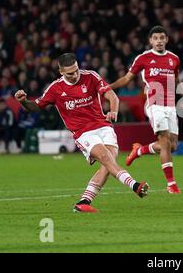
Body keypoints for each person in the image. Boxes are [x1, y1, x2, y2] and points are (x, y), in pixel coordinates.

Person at [14, 53, 149, 213]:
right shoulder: (55, 89)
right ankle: (134, 185)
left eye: (76, 70)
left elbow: (112, 96)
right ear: (60, 71)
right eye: (70, 73)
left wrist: (113, 111)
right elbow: (35, 106)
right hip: (83, 133)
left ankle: (84, 202)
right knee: (106, 158)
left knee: (108, 164)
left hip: (104, 126)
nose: (75, 75)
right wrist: (23, 101)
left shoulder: (91, 76)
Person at [109, 26, 183, 194]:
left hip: (171, 106)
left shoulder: (174, 59)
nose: (159, 41)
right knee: (164, 141)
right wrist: (108, 88)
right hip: (154, 104)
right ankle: (171, 184)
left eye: (162, 38)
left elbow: (177, 80)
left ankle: (140, 150)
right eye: (155, 38)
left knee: (172, 146)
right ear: (150, 41)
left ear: (167, 40)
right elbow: (127, 78)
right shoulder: (143, 58)